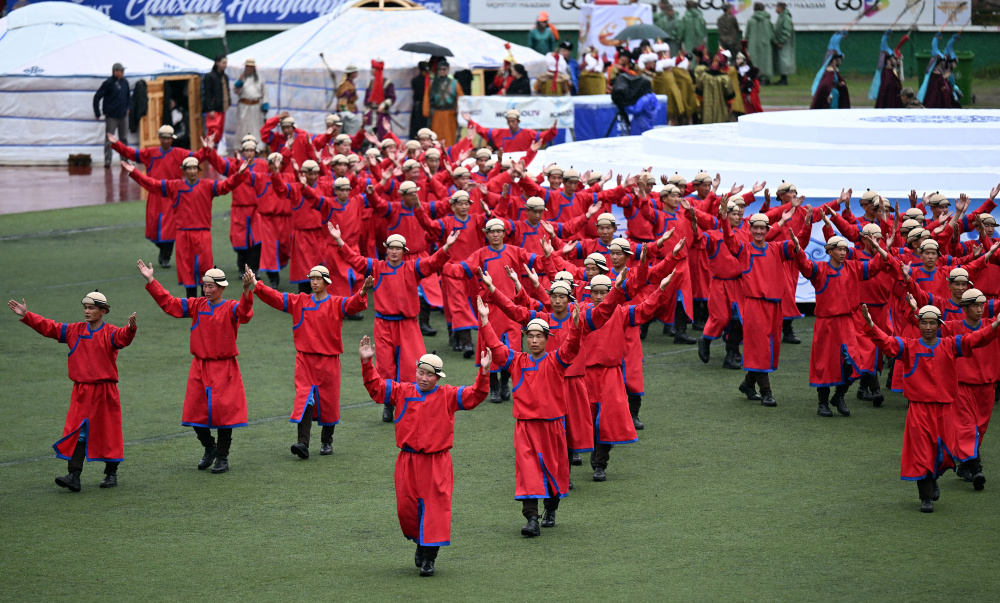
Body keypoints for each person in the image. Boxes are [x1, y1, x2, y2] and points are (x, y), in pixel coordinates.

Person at [359, 337, 491, 577]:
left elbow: (475, 396)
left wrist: (483, 372)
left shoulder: (448, 395)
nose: (424, 378)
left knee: (435, 511)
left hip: (437, 462)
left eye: (430, 375)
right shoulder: (402, 391)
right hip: (407, 461)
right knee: (407, 509)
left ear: (438, 378)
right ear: (416, 372)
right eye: (421, 372)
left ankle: (430, 557)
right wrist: (367, 362)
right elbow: (376, 388)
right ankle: (421, 543)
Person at [860, 304, 1000, 512]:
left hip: (945, 410)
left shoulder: (950, 345)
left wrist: (995, 325)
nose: (927, 327)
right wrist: (871, 326)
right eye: (924, 322)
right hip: (919, 409)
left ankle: (933, 477)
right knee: (921, 452)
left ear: (939, 325)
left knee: (941, 451)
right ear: (918, 324)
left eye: (932, 323)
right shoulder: (908, 346)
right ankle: (925, 497)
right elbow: (887, 342)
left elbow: (976, 339)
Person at [8, 292, 137, 492]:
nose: (87, 311)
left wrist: (130, 329)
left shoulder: (110, 332)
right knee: (78, 433)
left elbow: (122, 338)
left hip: (104, 392)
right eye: (85, 307)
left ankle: (111, 474)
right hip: (81, 392)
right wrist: (27, 315)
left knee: (108, 433)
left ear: (103, 311)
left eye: (91, 308)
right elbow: (49, 327)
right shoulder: (73, 330)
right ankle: (73, 476)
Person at [477, 296, 583, 536]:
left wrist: (575, 326)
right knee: (528, 472)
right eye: (530, 336)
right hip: (525, 426)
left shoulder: (557, 360)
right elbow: (495, 345)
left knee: (553, 472)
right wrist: (484, 319)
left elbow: (572, 347)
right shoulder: (516, 360)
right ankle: (532, 519)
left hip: (553, 425)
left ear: (547, 339)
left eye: (539, 336)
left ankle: (551, 509)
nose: (534, 340)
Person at [331, 225, 460, 422]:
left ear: (404, 251)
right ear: (386, 249)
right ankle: (388, 404)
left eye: (398, 248)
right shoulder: (376, 267)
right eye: (390, 248)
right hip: (383, 323)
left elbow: (433, 262)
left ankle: (410, 402)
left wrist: (446, 247)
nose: (393, 251)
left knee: (410, 364)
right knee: (385, 366)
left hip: (408, 323)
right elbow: (354, 260)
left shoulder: (412, 267)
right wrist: (340, 241)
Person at [139, 263, 255, 474]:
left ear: (222, 288)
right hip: (200, 367)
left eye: (211, 286)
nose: (207, 290)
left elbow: (245, 313)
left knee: (223, 416)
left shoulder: (231, 307)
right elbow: (170, 304)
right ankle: (210, 447)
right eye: (205, 286)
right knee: (194, 414)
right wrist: (151, 280)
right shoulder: (196, 305)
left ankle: (222, 457)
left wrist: (246, 291)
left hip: (224, 367)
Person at [253, 266, 373, 458]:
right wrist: (256, 284)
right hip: (305, 360)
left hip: (329, 361)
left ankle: (327, 441)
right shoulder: (299, 301)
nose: (315, 282)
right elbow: (275, 298)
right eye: (312, 278)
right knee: (304, 398)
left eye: (319, 278)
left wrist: (364, 291)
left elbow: (353, 304)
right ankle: (303, 443)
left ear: (327, 282)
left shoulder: (336, 303)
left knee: (329, 402)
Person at [123, 158, 249, 298]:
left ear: (198, 170)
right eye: (189, 168)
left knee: (206, 271)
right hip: (183, 236)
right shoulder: (175, 186)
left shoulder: (207, 185)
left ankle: (205, 304)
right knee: (187, 272)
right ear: (184, 170)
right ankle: (191, 305)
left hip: (203, 235)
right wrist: (134, 172)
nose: (192, 171)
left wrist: (239, 174)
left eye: (195, 168)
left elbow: (226, 186)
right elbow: (153, 185)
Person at [720, 208, 801, 407]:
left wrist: (805, 226)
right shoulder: (744, 250)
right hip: (754, 305)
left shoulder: (776, 248)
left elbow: (798, 246)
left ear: (767, 229)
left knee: (769, 349)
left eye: (762, 228)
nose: (758, 231)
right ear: (750, 229)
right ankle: (766, 391)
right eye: (755, 228)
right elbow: (729, 240)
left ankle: (748, 383)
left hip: (774, 305)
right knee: (761, 348)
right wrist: (723, 218)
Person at [108, 127, 209, 269]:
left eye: (169, 138)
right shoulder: (151, 153)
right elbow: (131, 153)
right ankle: (163, 249)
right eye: (163, 138)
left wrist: (206, 149)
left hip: (172, 195)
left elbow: (196, 158)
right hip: (155, 194)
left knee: (169, 228)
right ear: (159, 138)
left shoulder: (180, 153)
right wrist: (116, 143)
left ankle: (166, 256)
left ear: (172, 139)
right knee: (153, 227)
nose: (166, 141)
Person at [463, 109, 557, 153]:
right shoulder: (500, 133)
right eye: (509, 121)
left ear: (518, 122)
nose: (511, 124)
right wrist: (470, 121)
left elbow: (543, 137)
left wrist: (552, 130)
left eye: (513, 121)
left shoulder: (528, 133)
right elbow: (483, 131)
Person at [93, 62, 130, 168]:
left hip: (123, 115)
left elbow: (128, 97)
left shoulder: (125, 82)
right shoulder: (108, 83)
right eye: (121, 71)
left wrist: (128, 108)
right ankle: (108, 160)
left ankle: (125, 160)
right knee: (110, 139)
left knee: (124, 138)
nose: (123, 73)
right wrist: (97, 112)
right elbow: (97, 97)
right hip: (112, 116)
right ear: (115, 72)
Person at [423, 61, 464, 146]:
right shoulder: (432, 83)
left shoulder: (454, 83)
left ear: (448, 69)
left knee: (450, 136)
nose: (442, 71)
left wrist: (459, 112)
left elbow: (460, 98)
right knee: (436, 136)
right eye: (439, 69)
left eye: (444, 69)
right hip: (437, 114)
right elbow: (427, 97)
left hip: (450, 114)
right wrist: (426, 112)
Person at [234, 59, 268, 144]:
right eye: (247, 67)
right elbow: (235, 91)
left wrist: (265, 103)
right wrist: (240, 82)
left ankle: (257, 146)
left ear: (253, 68)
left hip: (255, 106)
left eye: (250, 67)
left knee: (256, 127)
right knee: (243, 126)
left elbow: (264, 92)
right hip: (243, 105)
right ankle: (242, 145)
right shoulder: (241, 77)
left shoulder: (260, 78)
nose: (249, 69)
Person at [696, 51, 735, 124]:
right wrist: (730, 106)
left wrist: (701, 104)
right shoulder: (725, 78)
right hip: (721, 108)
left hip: (706, 108)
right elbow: (729, 95)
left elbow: (699, 91)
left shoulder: (704, 76)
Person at [363, 59, 396, 139]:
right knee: (369, 135)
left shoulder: (387, 83)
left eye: (373, 68)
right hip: (371, 114)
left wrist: (384, 105)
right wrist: (366, 111)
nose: (371, 70)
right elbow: (366, 99)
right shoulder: (370, 83)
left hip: (382, 114)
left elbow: (392, 98)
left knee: (383, 134)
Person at [202, 54, 230, 145]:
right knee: (213, 131)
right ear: (217, 63)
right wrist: (210, 108)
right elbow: (207, 94)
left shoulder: (224, 76)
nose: (225, 65)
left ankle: (215, 154)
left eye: (226, 63)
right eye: (223, 63)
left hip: (222, 108)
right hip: (213, 109)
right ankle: (207, 153)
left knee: (219, 133)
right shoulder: (210, 76)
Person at [744, 4, 774, 85]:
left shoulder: (750, 21)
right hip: (765, 45)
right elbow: (771, 34)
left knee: (754, 61)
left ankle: (756, 77)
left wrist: (745, 43)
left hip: (752, 45)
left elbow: (747, 34)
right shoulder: (767, 21)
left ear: (754, 9)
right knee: (765, 62)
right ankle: (765, 79)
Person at [773, 2, 796, 86]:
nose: (776, 9)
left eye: (777, 7)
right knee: (782, 61)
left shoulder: (785, 17)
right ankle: (782, 78)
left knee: (784, 61)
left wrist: (782, 41)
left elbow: (787, 30)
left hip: (784, 44)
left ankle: (784, 80)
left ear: (780, 8)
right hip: (781, 43)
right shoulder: (781, 17)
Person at [409, 62, 431, 139]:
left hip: (418, 107)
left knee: (416, 127)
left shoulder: (414, 81)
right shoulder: (430, 81)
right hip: (427, 107)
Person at [337, 64, 361, 135]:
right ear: (351, 74)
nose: (357, 74)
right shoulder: (346, 84)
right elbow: (342, 99)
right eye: (355, 72)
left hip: (351, 108)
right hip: (347, 111)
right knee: (348, 130)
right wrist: (345, 112)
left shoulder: (351, 83)